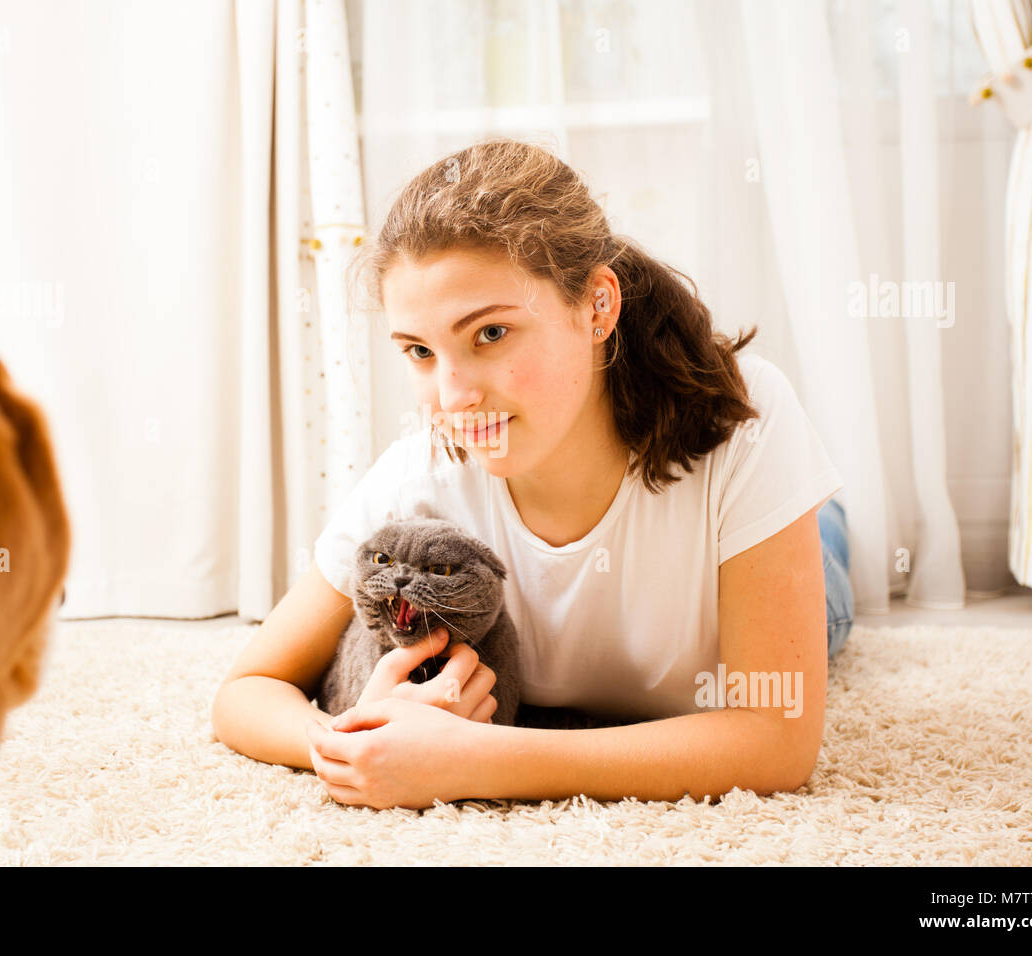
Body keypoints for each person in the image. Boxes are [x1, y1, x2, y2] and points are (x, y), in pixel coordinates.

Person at [212, 137, 854, 810]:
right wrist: (354, 739)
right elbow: (245, 689)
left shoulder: (746, 416)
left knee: (830, 568)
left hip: (762, 544)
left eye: (490, 334)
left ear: (599, 306)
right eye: (420, 351)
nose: (454, 397)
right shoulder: (420, 473)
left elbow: (777, 741)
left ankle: (826, 514)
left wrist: (477, 762)